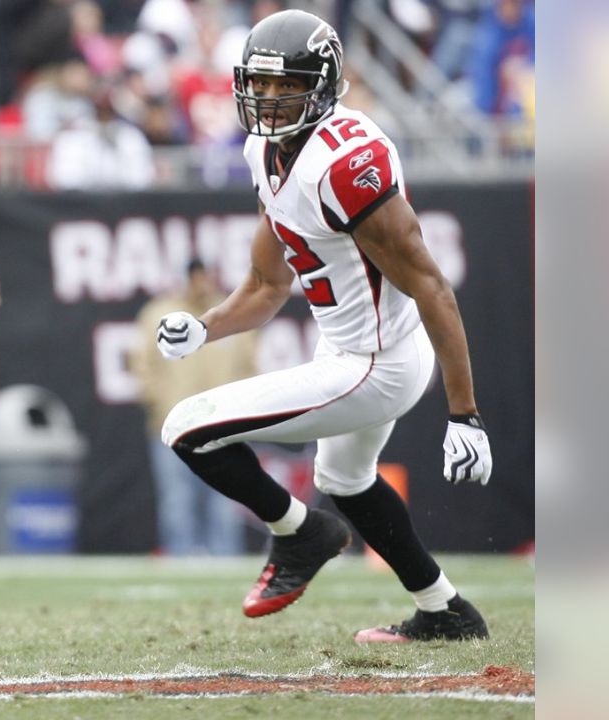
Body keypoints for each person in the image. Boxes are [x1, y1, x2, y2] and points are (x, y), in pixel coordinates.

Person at [153, 10, 493, 642]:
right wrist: (205, 327)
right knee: (345, 479)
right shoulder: (266, 150)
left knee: (187, 428)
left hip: (376, 361)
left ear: (327, 83)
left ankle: (302, 532)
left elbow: (431, 286)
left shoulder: (344, 164)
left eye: (291, 85)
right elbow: (266, 284)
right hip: (351, 347)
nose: (273, 100)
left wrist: (464, 414)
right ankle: (446, 611)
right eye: (263, 85)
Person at [130, 260, 256, 556]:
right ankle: (180, 563)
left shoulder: (230, 313)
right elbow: (141, 365)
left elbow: (250, 366)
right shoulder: (158, 314)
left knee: (225, 500)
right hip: (174, 424)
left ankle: (226, 567)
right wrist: (160, 404)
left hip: (223, 423)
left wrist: (241, 410)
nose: (202, 283)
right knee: (177, 501)